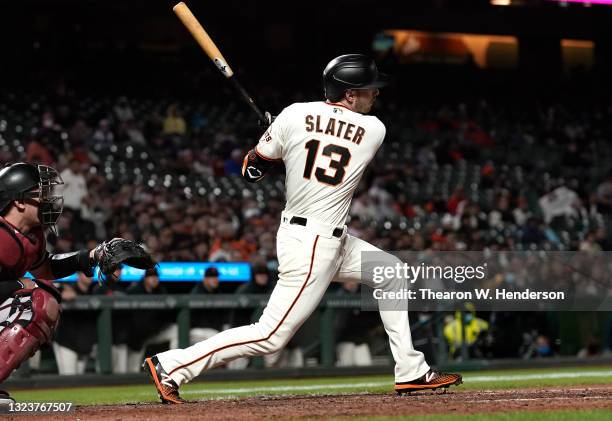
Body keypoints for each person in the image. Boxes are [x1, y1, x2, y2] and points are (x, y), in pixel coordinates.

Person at [144, 54, 462, 404]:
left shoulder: (294, 114)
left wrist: (274, 136)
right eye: (370, 90)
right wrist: (283, 137)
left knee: (391, 271)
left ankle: (411, 371)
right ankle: (173, 365)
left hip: (319, 237)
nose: (376, 95)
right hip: (313, 242)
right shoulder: (374, 130)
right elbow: (328, 141)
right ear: (351, 94)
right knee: (269, 337)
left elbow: (252, 169)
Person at [0, 162, 147, 405]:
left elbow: (46, 268)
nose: (48, 199)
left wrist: (92, 256)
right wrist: (18, 283)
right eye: (41, 192)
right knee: (37, 301)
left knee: (43, 297)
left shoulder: (31, 235)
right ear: (19, 201)